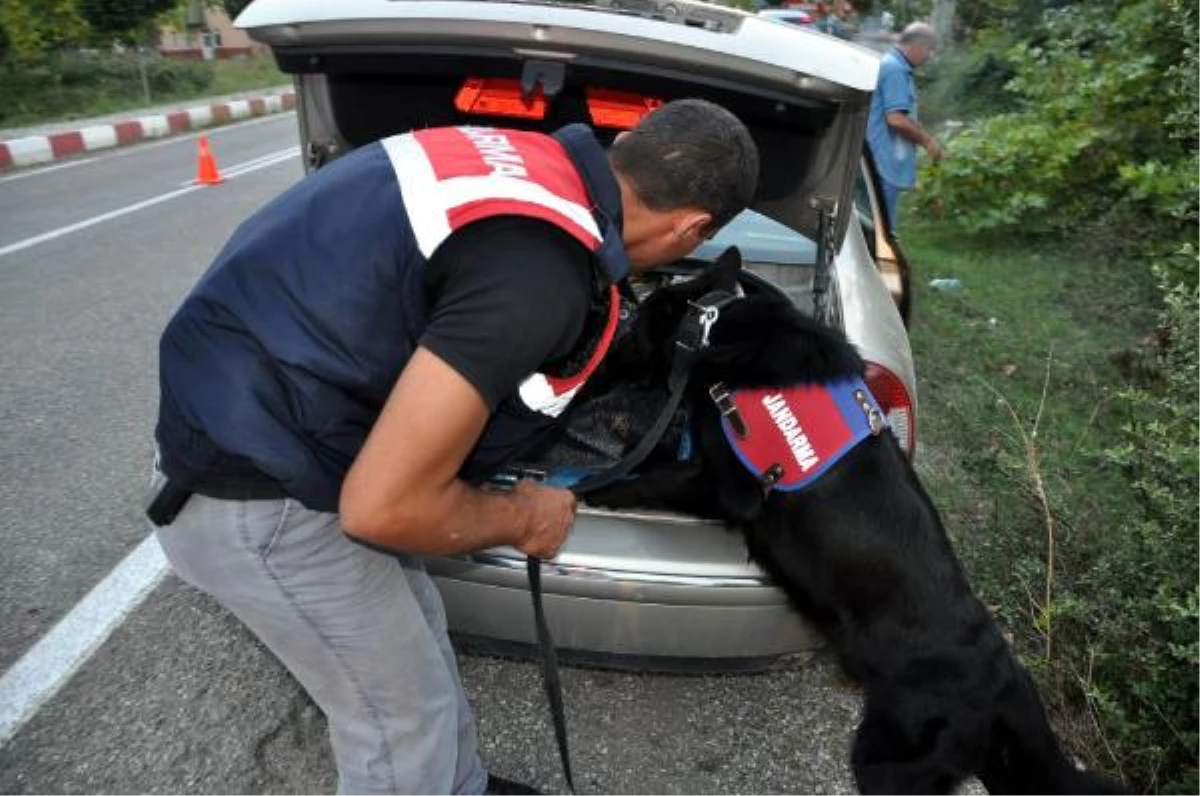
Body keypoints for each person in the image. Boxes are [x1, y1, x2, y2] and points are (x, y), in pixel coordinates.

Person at [148, 98, 759, 796]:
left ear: (627, 143)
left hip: (273, 419)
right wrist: (523, 517)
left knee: (422, 644)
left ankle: (458, 785)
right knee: (397, 727)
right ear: (693, 227)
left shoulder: (525, 160)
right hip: (261, 495)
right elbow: (383, 508)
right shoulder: (540, 273)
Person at [865, 21, 947, 234]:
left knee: (877, 225)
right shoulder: (895, 70)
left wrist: (914, 125)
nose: (929, 56)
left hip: (879, 161)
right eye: (929, 50)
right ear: (918, 46)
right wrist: (928, 142)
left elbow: (899, 115)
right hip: (883, 162)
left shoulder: (893, 64)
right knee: (881, 229)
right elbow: (896, 120)